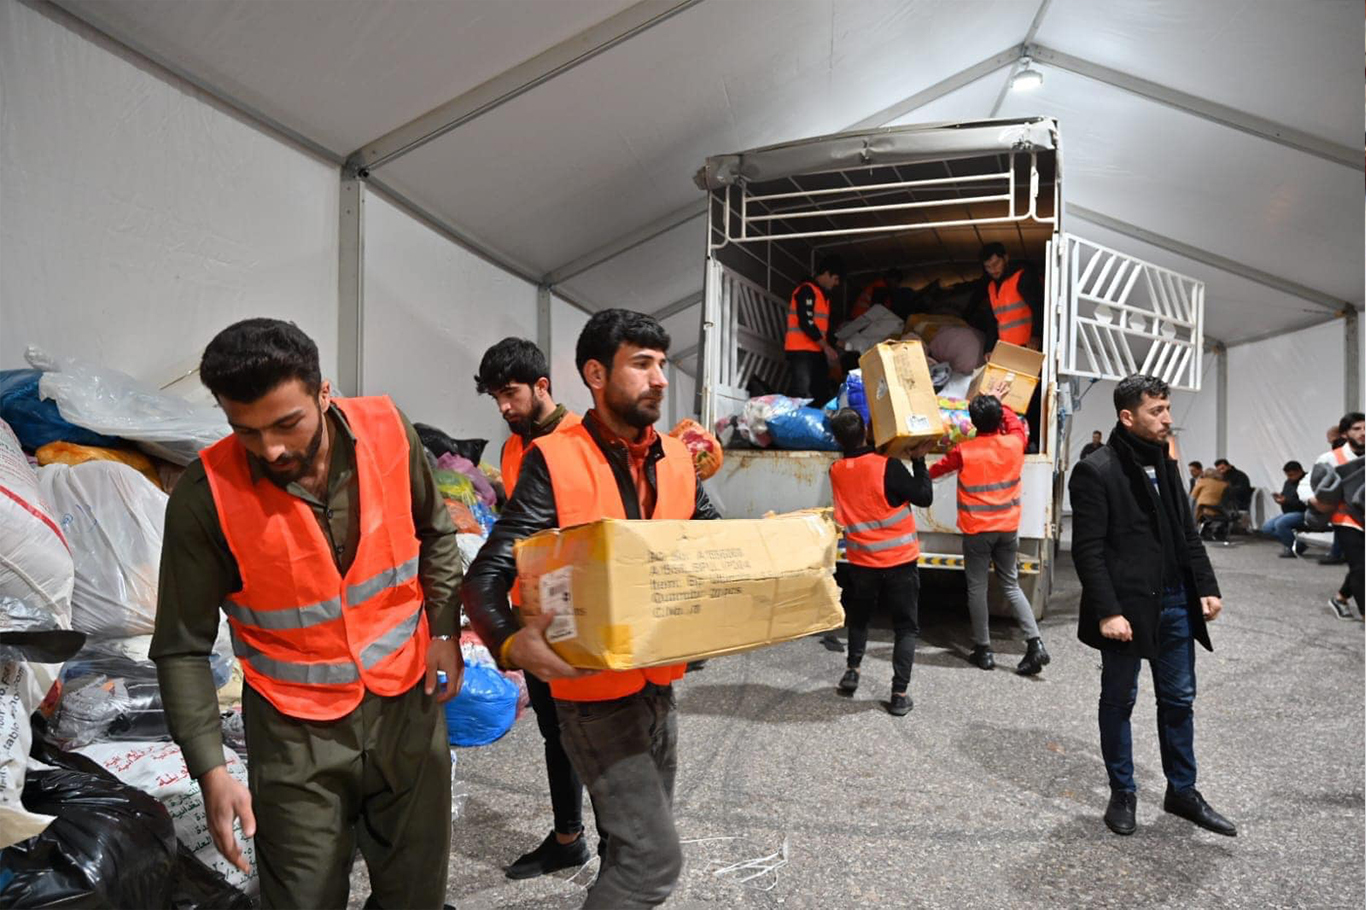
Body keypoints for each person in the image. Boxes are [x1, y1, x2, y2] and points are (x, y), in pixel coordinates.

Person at [152, 319, 461, 909]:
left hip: (407, 708)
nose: (270, 449)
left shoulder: (388, 431)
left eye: (286, 424)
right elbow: (181, 647)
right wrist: (211, 770)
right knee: (303, 898)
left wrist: (445, 629)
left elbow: (436, 533)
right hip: (294, 736)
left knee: (416, 894)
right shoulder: (204, 496)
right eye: (245, 430)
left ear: (323, 393)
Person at [464, 309, 721, 909]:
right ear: (596, 375)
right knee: (651, 863)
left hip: (658, 684)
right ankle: (570, 839)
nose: (660, 378)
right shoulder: (553, 459)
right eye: (642, 364)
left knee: (635, 846)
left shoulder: (677, 459)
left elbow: (715, 544)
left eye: (662, 364)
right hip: (592, 694)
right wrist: (509, 642)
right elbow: (486, 574)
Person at [1069, 374, 1234, 839]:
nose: (1167, 419)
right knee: (1119, 701)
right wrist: (1108, 611)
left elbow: (1185, 532)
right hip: (1127, 609)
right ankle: (1123, 792)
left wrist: (1205, 585)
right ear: (1128, 416)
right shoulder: (1096, 470)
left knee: (1179, 701)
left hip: (1177, 602)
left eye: (1167, 409)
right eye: (1156, 411)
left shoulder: (1165, 461)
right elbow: (1088, 550)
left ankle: (1182, 791)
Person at [473, 338, 597, 879]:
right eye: (496, 397)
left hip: (584, 613)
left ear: (541, 386)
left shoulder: (584, 440)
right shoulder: (511, 449)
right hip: (533, 611)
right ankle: (568, 838)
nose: (504, 406)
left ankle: (620, 859)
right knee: (556, 732)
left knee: (597, 735)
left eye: (510, 393)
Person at [929, 380, 1050, 675]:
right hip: (1007, 528)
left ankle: (983, 650)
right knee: (1010, 585)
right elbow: (1015, 424)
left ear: (972, 422)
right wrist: (999, 401)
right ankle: (1035, 644)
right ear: (1000, 419)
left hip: (976, 532)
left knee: (977, 588)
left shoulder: (964, 451)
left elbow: (935, 471)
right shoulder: (1015, 443)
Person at [827, 408, 933, 716]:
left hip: (862, 561)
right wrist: (919, 460)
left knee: (860, 618)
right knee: (906, 628)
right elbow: (923, 496)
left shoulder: (836, 470)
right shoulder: (888, 466)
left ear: (837, 440)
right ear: (865, 431)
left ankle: (852, 671)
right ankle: (899, 694)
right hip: (900, 561)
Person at [969, 242, 1044, 452]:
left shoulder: (1022, 276)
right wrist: (989, 348)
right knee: (1011, 397)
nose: (993, 270)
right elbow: (994, 321)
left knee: (1032, 397)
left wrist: (1036, 335)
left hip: (1027, 348)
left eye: (996, 264)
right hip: (1007, 352)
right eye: (988, 267)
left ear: (1006, 258)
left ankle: (1034, 442)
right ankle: (1015, 439)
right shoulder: (991, 287)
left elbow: (1039, 307)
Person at [1308, 412, 1364, 620]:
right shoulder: (1330, 458)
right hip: (1346, 519)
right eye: (1357, 429)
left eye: (1365, 428)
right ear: (1345, 434)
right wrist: (1314, 501)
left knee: (1362, 566)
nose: (1363, 433)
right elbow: (1307, 484)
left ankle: (1340, 598)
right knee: (1360, 566)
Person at [785, 255, 843, 403]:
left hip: (816, 351)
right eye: (836, 278)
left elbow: (823, 328)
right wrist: (826, 347)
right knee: (801, 392)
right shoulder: (807, 290)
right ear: (827, 273)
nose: (836, 283)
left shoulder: (823, 296)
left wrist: (836, 343)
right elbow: (806, 322)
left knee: (820, 392)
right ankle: (794, 417)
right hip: (801, 351)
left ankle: (815, 416)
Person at [1259, 460, 1307, 557]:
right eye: (1287, 475)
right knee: (1266, 528)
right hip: (1288, 512)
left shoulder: (1307, 482)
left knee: (1280, 524)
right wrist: (1280, 498)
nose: (1289, 477)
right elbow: (1286, 496)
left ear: (1299, 471)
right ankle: (1296, 545)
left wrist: (1287, 501)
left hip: (1303, 512)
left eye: (1291, 475)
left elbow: (1306, 502)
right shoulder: (1288, 482)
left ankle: (1291, 547)